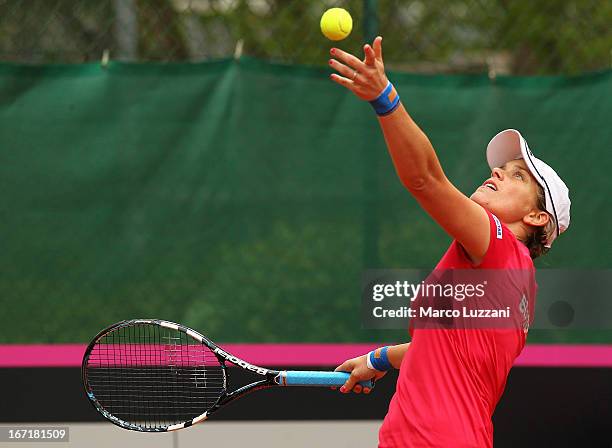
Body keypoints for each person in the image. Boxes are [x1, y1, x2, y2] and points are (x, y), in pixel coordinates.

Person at [328, 37, 571, 447]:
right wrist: (380, 358)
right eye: (501, 168)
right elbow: (444, 346)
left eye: (517, 176)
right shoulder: (517, 281)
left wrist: (385, 98)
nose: (496, 173)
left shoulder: (499, 249)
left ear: (536, 218)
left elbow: (425, 180)